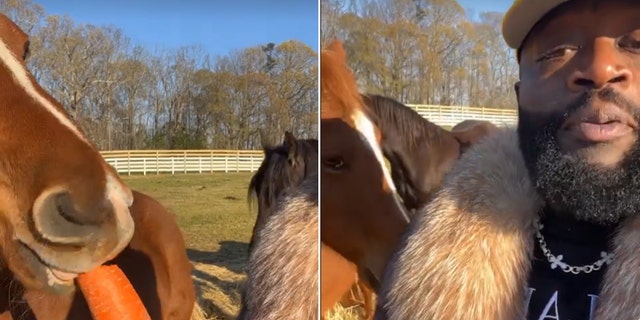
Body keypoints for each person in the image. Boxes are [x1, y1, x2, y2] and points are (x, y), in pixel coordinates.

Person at [374, 1, 640, 319]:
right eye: (558, 50)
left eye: (637, 44)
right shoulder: (420, 257)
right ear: (519, 97)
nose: (600, 69)